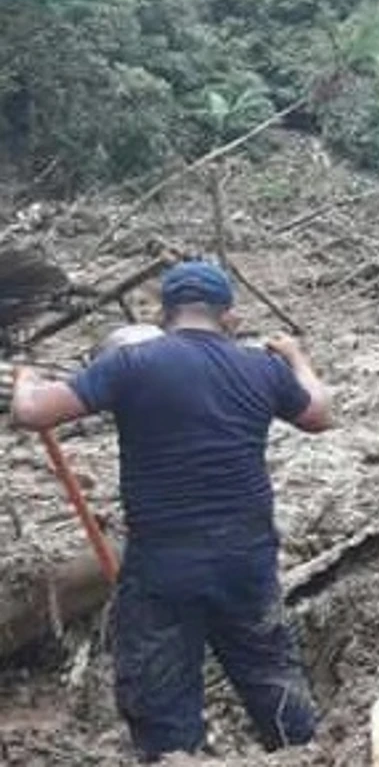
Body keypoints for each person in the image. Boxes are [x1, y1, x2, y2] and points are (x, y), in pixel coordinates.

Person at [8, 261, 333, 763]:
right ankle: (305, 754)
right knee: (270, 674)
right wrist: (296, 356)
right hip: (246, 556)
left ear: (165, 314)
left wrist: (26, 379)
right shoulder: (261, 367)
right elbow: (320, 413)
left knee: (161, 699)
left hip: (164, 562)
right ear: (228, 316)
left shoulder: (131, 363)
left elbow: (31, 412)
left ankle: (176, 755)